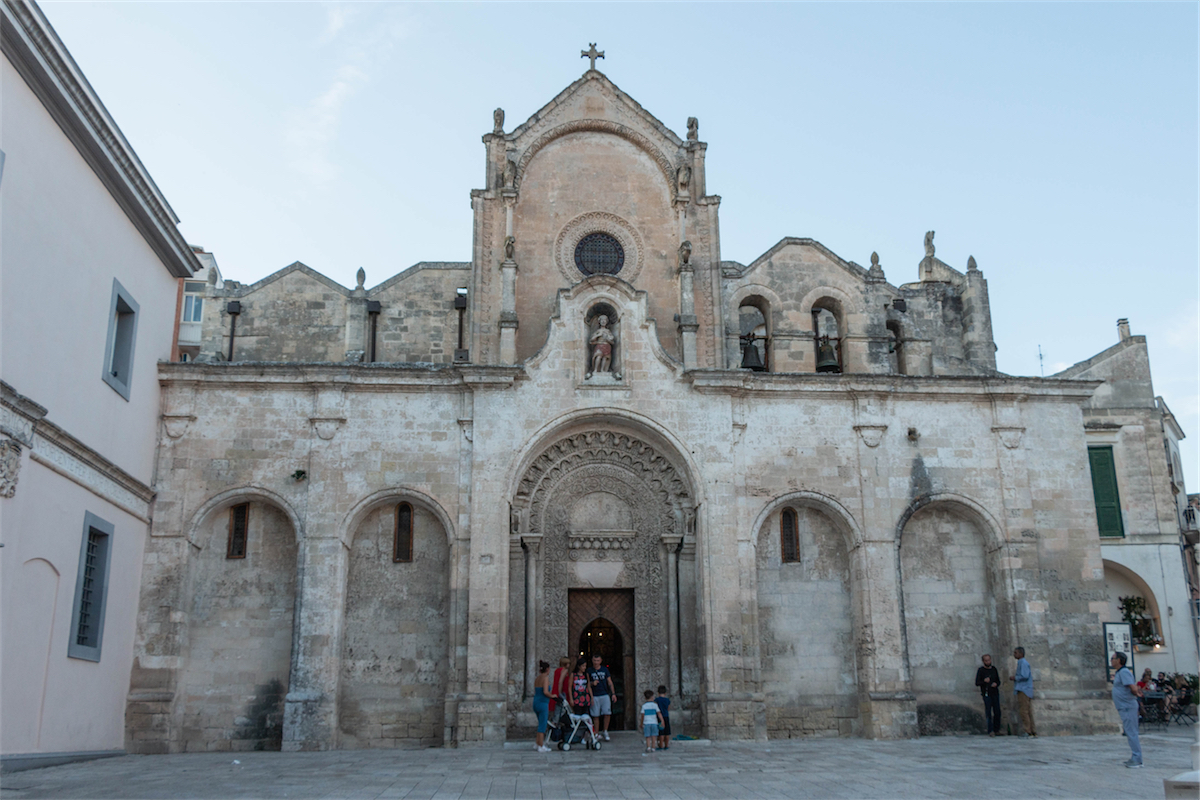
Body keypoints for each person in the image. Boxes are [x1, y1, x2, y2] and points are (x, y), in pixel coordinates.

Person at [1111, 651, 1143, 767]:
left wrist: (1136, 693)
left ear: (1119, 660)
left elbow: (1132, 687)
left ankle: (1137, 759)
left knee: (1132, 732)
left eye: (1113, 658)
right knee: (1129, 732)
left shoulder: (1124, 672)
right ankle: (1135, 756)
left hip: (1127, 707)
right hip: (1124, 707)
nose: (1111, 660)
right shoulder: (1120, 672)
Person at [588, 654, 617, 741]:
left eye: (597, 661)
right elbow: (587, 683)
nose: (596, 662)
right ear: (592, 661)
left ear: (601, 661)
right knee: (595, 715)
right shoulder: (589, 670)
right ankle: (596, 732)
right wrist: (592, 684)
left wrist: (613, 693)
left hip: (604, 694)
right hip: (595, 695)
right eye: (594, 660)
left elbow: (609, 681)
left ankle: (605, 730)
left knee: (607, 713)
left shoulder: (605, 670)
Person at [1010, 646, 1036, 737]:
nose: (1014, 654)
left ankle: (1027, 730)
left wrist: (1015, 678)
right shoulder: (1021, 663)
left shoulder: (1023, 663)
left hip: (1024, 690)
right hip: (1025, 689)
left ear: (1021, 654)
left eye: (1016, 653)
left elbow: (1024, 676)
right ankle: (1032, 730)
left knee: (1024, 711)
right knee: (1027, 711)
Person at [975, 654, 1002, 736]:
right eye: (986, 660)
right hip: (986, 694)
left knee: (997, 712)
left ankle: (997, 729)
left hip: (995, 693)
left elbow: (998, 681)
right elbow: (977, 683)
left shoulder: (994, 669)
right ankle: (990, 730)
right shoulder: (981, 670)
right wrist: (984, 681)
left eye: (989, 660)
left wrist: (996, 684)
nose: (988, 662)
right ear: (983, 661)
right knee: (988, 712)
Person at [532, 660, 552, 753]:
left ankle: (537, 743)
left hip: (536, 702)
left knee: (540, 723)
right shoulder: (546, 678)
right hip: (543, 703)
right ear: (548, 669)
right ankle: (541, 745)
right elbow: (545, 692)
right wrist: (553, 696)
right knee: (542, 725)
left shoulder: (537, 678)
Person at [641, 689, 663, 755]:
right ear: (652, 697)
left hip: (647, 723)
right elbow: (659, 713)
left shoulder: (644, 706)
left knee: (648, 736)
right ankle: (653, 747)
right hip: (654, 722)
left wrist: (641, 723)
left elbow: (642, 715)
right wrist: (662, 720)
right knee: (654, 736)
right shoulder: (655, 705)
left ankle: (648, 747)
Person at [654, 685, 672, 750]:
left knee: (661, 732)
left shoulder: (657, 700)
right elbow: (668, 708)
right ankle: (666, 745)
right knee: (667, 732)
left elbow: (655, 708)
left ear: (658, 693)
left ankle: (661, 746)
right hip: (666, 716)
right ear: (665, 693)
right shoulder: (667, 700)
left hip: (659, 717)